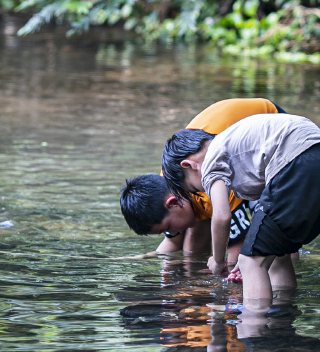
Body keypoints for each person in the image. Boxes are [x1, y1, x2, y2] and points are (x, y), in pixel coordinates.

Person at [162, 111, 320, 305]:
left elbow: (221, 216)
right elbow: (266, 212)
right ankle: (282, 313)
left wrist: (218, 260)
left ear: (189, 165)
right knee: (276, 256)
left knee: (251, 262)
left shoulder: (209, 161)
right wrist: (250, 252)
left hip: (298, 162)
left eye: (195, 189)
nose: (204, 191)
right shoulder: (232, 144)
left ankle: (254, 323)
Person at [119, 97, 280, 265]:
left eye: (168, 228)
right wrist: (145, 259)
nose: (172, 233)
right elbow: (173, 242)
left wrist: (221, 267)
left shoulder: (206, 184)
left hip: (271, 126)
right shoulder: (167, 185)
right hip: (225, 143)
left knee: (275, 238)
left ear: (173, 202)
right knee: (194, 227)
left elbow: (235, 249)